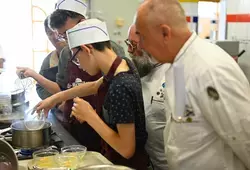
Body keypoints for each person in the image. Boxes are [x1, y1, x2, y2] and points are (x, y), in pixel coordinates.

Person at [135, 0, 250, 170]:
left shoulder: (210, 70)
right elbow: (184, 119)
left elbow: (244, 138)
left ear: (165, 33)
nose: (140, 46)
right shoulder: (178, 65)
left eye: (143, 38)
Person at [125, 23, 169, 170]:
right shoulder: (141, 68)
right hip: (153, 162)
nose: (129, 50)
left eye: (133, 44)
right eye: (128, 43)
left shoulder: (177, 73)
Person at [17, 16, 66, 100]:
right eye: (50, 33)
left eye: (56, 31)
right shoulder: (48, 61)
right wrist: (56, 102)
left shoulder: (79, 55)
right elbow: (40, 88)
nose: (55, 36)